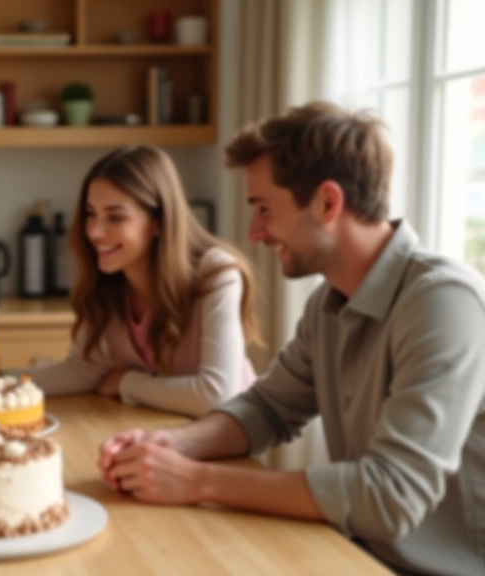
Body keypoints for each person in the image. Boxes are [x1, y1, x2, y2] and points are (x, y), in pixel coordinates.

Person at [98, 102, 485, 575]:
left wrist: (198, 481)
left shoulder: (445, 302)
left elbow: (392, 496)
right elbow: (267, 409)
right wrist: (173, 445)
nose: (254, 233)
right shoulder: (329, 302)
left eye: (264, 209)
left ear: (327, 203)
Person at [26, 145, 261, 417]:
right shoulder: (109, 278)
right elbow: (82, 370)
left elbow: (217, 395)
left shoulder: (217, 275)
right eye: (91, 213)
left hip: (228, 443)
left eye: (115, 217)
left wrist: (128, 383)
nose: (94, 231)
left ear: (158, 222)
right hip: (161, 431)